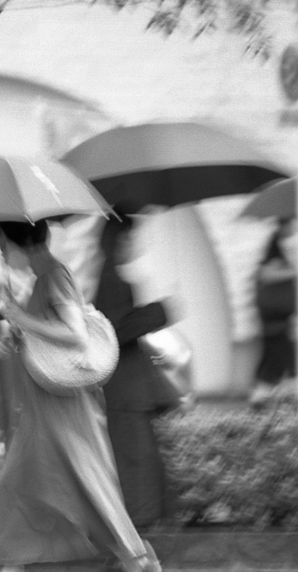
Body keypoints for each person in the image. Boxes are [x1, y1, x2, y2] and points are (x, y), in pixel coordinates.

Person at [0, 219, 161, 572]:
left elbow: (74, 334)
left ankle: (136, 558)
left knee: (82, 484)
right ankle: (11, 571)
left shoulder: (54, 276)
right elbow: (45, 334)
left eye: (1, 242)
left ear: (15, 242)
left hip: (60, 408)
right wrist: (15, 334)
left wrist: (21, 318)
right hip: (46, 405)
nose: (1, 251)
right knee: (20, 484)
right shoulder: (44, 277)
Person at [93, 211, 174, 527]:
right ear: (116, 239)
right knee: (133, 465)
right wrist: (159, 312)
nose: (132, 244)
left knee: (133, 462)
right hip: (124, 390)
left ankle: (130, 541)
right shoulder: (112, 279)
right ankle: (130, 543)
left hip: (125, 388)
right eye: (128, 237)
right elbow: (117, 330)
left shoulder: (110, 275)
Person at [250, 221, 297, 408]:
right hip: (274, 316)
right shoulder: (276, 244)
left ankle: (260, 395)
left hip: (276, 315)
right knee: (281, 352)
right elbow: (266, 274)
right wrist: (294, 271)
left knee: (275, 354)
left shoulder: (280, 244)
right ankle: (267, 395)